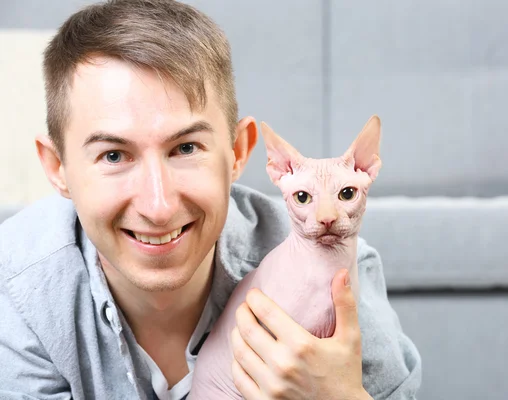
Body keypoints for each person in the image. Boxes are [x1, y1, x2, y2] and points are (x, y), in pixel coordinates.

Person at [0, 0, 421, 399]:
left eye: (185, 149)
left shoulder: (341, 272)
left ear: (238, 152)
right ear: (58, 169)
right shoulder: (19, 293)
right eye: (113, 155)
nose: (158, 205)